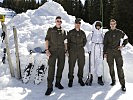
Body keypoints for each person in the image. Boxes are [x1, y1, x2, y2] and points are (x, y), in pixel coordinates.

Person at [103, 19, 128, 92]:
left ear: (115, 24)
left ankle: (123, 84)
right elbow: (105, 44)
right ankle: (113, 80)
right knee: (111, 67)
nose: (112, 25)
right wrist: (105, 53)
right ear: (110, 25)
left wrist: (122, 45)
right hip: (109, 52)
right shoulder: (107, 33)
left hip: (117, 52)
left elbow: (126, 38)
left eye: (113, 24)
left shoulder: (120, 32)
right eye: (111, 24)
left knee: (119, 68)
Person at [45, 16, 67, 95]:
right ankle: (49, 87)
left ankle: (58, 83)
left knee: (61, 67)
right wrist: (47, 50)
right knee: (51, 68)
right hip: (53, 51)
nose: (59, 22)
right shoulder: (51, 30)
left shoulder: (64, 31)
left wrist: (66, 50)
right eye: (57, 21)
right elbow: (47, 40)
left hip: (61, 51)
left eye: (60, 21)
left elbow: (65, 41)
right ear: (55, 21)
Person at [67, 18, 87, 87]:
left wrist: (81, 46)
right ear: (74, 24)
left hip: (80, 50)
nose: (78, 24)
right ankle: (70, 79)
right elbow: (68, 42)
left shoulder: (82, 33)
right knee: (71, 65)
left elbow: (85, 41)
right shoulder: (70, 32)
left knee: (81, 65)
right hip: (72, 50)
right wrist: (68, 50)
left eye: (79, 23)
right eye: (76, 23)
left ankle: (80, 78)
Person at [86, 21, 104, 86]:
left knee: (100, 64)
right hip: (93, 49)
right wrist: (89, 49)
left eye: (99, 26)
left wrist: (104, 50)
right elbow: (86, 41)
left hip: (100, 49)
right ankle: (90, 77)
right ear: (95, 26)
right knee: (92, 63)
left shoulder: (102, 34)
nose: (98, 27)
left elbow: (105, 42)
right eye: (97, 26)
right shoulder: (92, 33)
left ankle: (100, 78)